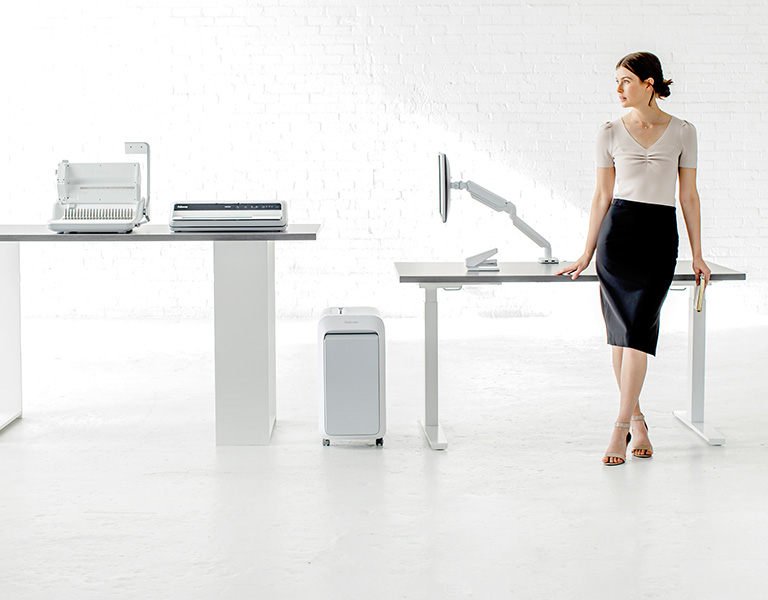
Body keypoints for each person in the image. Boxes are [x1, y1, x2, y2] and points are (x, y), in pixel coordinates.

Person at [556, 52, 711, 465]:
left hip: (659, 236)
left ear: (649, 83)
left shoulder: (683, 131)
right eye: (617, 81)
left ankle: (619, 427)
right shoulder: (608, 132)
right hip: (617, 238)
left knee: (640, 328)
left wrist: (698, 254)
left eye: (626, 81)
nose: (619, 89)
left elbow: (688, 197)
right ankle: (636, 420)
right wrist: (586, 252)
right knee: (623, 334)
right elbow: (602, 197)